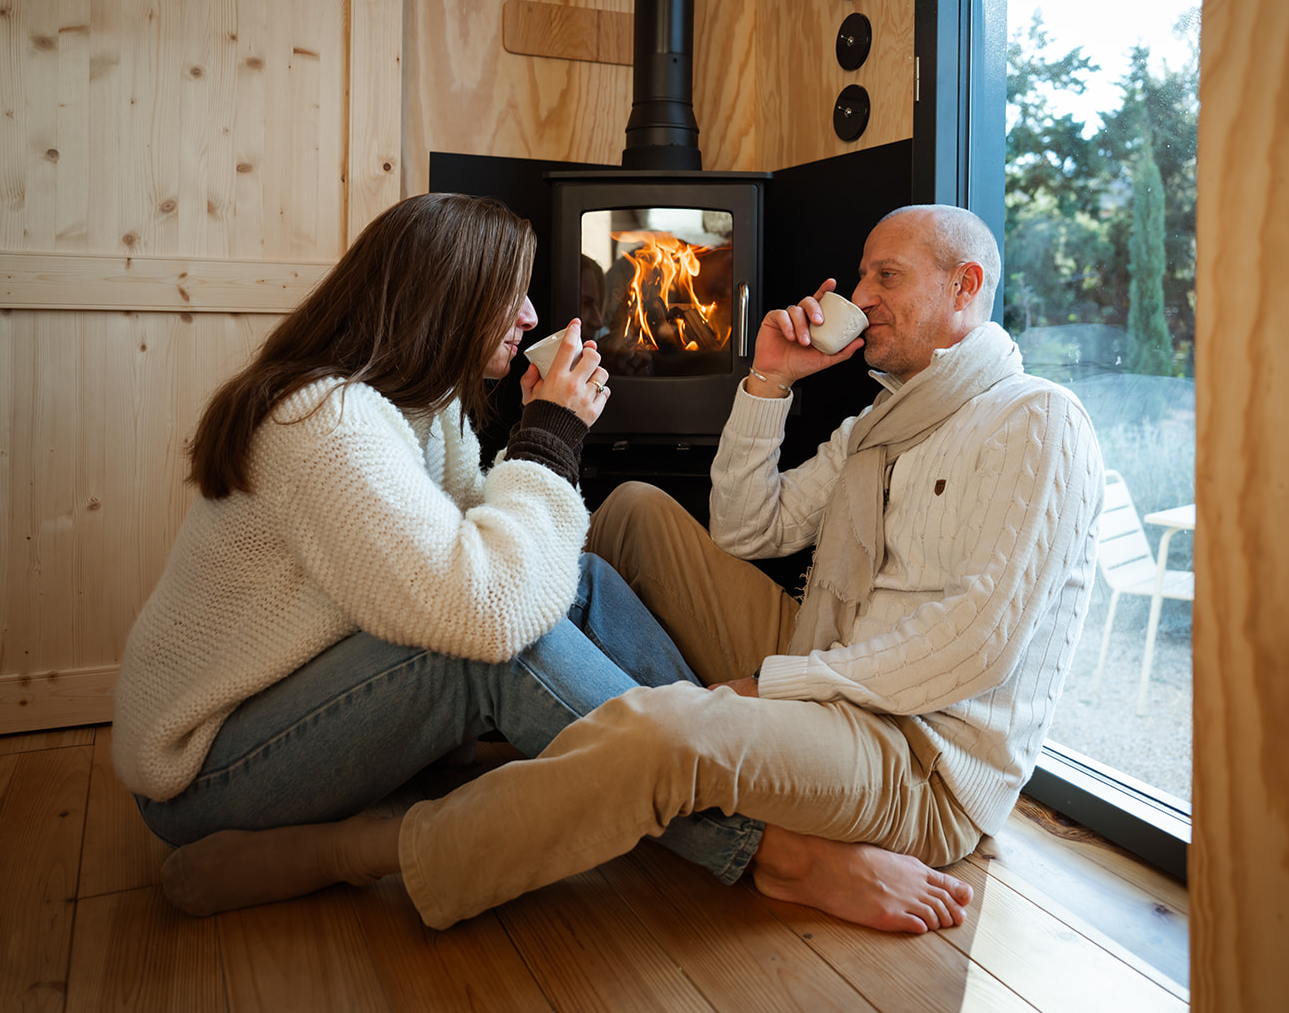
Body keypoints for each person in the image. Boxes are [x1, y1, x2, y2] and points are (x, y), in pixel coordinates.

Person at [156, 203, 1101, 936]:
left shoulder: (1034, 420)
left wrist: (760, 693)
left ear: (966, 286)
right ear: (445, 302)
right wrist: (766, 383)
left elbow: (969, 648)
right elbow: (743, 527)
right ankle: (692, 756)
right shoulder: (878, 425)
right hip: (829, 673)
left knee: (574, 671)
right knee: (634, 520)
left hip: (915, 751)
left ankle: (671, 758)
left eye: (883, 275)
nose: (858, 291)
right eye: (865, 272)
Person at [113, 193, 755, 891]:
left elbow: (514, 565)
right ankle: (753, 834)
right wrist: (548, 438)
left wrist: (545, 435)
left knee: (584, 581)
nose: (532, 317)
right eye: (510, 296)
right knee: (499, 654)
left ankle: (734, 762)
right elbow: (488, 611)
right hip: (208, 774)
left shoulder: (425, 408)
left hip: (305, 705)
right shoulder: (325, 420)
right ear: (449, 299)